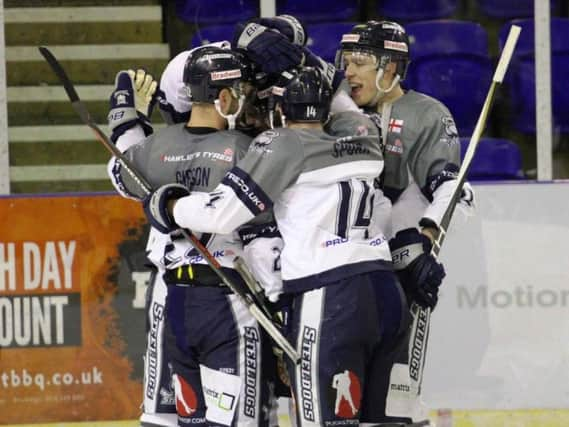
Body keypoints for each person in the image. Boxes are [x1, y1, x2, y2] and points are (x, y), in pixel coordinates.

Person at [143, 66, 419, 426]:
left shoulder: (283, 143)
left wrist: (170, 206)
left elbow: (223, 214)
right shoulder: (363, 135)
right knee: (386, 421)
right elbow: (380, 202)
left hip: (331, 296)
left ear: (282, 110)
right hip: (385, 291)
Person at [107, 46, 280, 427]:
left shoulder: (157, 146)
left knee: (183, 419)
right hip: (228, 300)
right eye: (240, 90)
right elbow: (263, 241)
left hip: (174, 301)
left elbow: (120, 171)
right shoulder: (245, 150)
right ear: (223, 96)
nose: (245, 97)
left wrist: (126, 120)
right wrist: (282, 302)